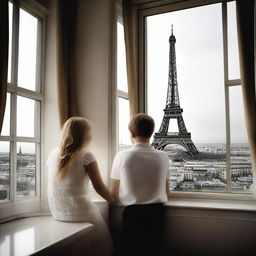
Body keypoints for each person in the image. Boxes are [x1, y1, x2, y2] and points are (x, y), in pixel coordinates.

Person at [47, 117, 115, 256]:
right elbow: (99, 186)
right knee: (104, 248)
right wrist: (113, 200)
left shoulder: (53, 154)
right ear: (84, 135)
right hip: (81, 212)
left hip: (58, 212)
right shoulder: (86, 155)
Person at [111, 113, 169, 256]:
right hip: (157, 212)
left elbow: (114, 193)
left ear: (131, 133)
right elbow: (167, 191)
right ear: (152, 132)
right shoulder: (163, 156)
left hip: (133, 214)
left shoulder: (122, 156)